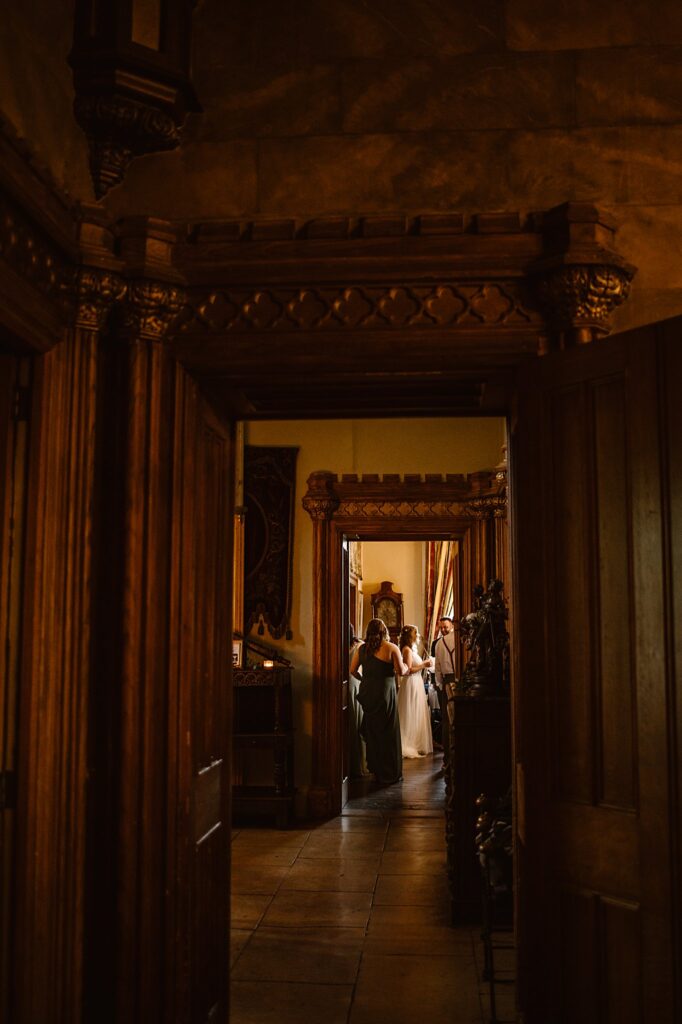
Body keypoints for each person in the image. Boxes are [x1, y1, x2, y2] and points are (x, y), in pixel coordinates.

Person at [350, 618, 408, 785]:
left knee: (372, 732)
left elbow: (352, 671)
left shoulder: (362, 649)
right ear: (384, 631)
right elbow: (400, 671)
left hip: (368, 692)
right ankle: (389, 772)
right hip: (385, 693)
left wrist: (366, 680)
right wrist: (405, 666)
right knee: (388, 732)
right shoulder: (391, 648)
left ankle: (375, 770)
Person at [397, 625, 433, 758]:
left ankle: (417, 742)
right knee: (410, 711)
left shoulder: (412, 649)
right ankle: (409, 743)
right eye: (416, 633)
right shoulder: (406, 650)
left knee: (417, 711)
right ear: (410, 636)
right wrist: (424, 664)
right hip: (411, 683)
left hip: (417, 682)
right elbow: (408, 670)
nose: (418, 636)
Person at [434, 615, 457, 769]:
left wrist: (439, 685)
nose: (443, 630)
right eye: (441, 627)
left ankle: (448, 760)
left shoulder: (440, 644)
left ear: (452, 625)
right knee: (451, 721)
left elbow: (437, 669)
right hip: (455, 679)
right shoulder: (440, 643)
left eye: (445, 627)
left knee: (447, 722)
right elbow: (438, 666)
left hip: (447, 682)